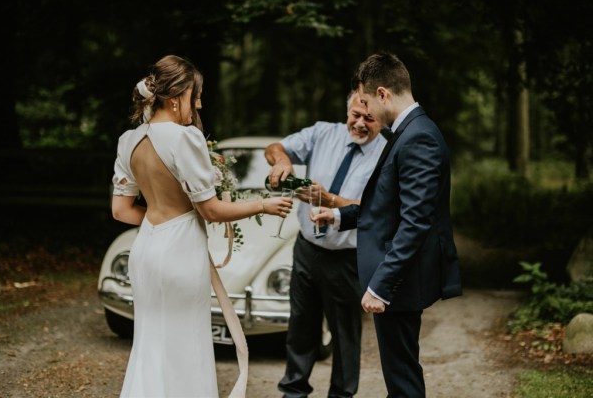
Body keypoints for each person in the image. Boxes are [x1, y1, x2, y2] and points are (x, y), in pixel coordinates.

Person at [111, 54, 292, 398]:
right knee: (187, 347)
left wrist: (157, 224)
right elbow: (209, 210)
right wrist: (263, 205)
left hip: (145, 253)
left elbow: (121, 210)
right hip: (179, 256)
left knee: (149, 345)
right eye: (195, 95)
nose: (199, 103)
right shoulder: (186, 139)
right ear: (175, 96)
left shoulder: (128, 140)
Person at [312, 52, 462, 397]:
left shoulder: (418, 137)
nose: (364, 111)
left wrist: (381, 285)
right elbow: (386, 207)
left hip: (402, 282)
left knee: (402, 376)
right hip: (399, 279)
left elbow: (415, 221)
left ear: (382, 93)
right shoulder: (408, 132)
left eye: (365, 101)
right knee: (399, 374)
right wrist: (337, 215)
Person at [265, 91, 387, 398]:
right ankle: (293, 392)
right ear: (347, 110)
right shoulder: (322, 133)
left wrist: (330, 201)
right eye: (355, 115)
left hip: (349, 257)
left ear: (382, 120)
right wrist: (283, 161)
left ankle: (342, 395)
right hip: (307, 248)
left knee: (346, 335)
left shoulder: (388, 154)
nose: (359, 124)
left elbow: (377, 209)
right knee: (301, 326)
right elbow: (275, 147)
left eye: (369, 119)